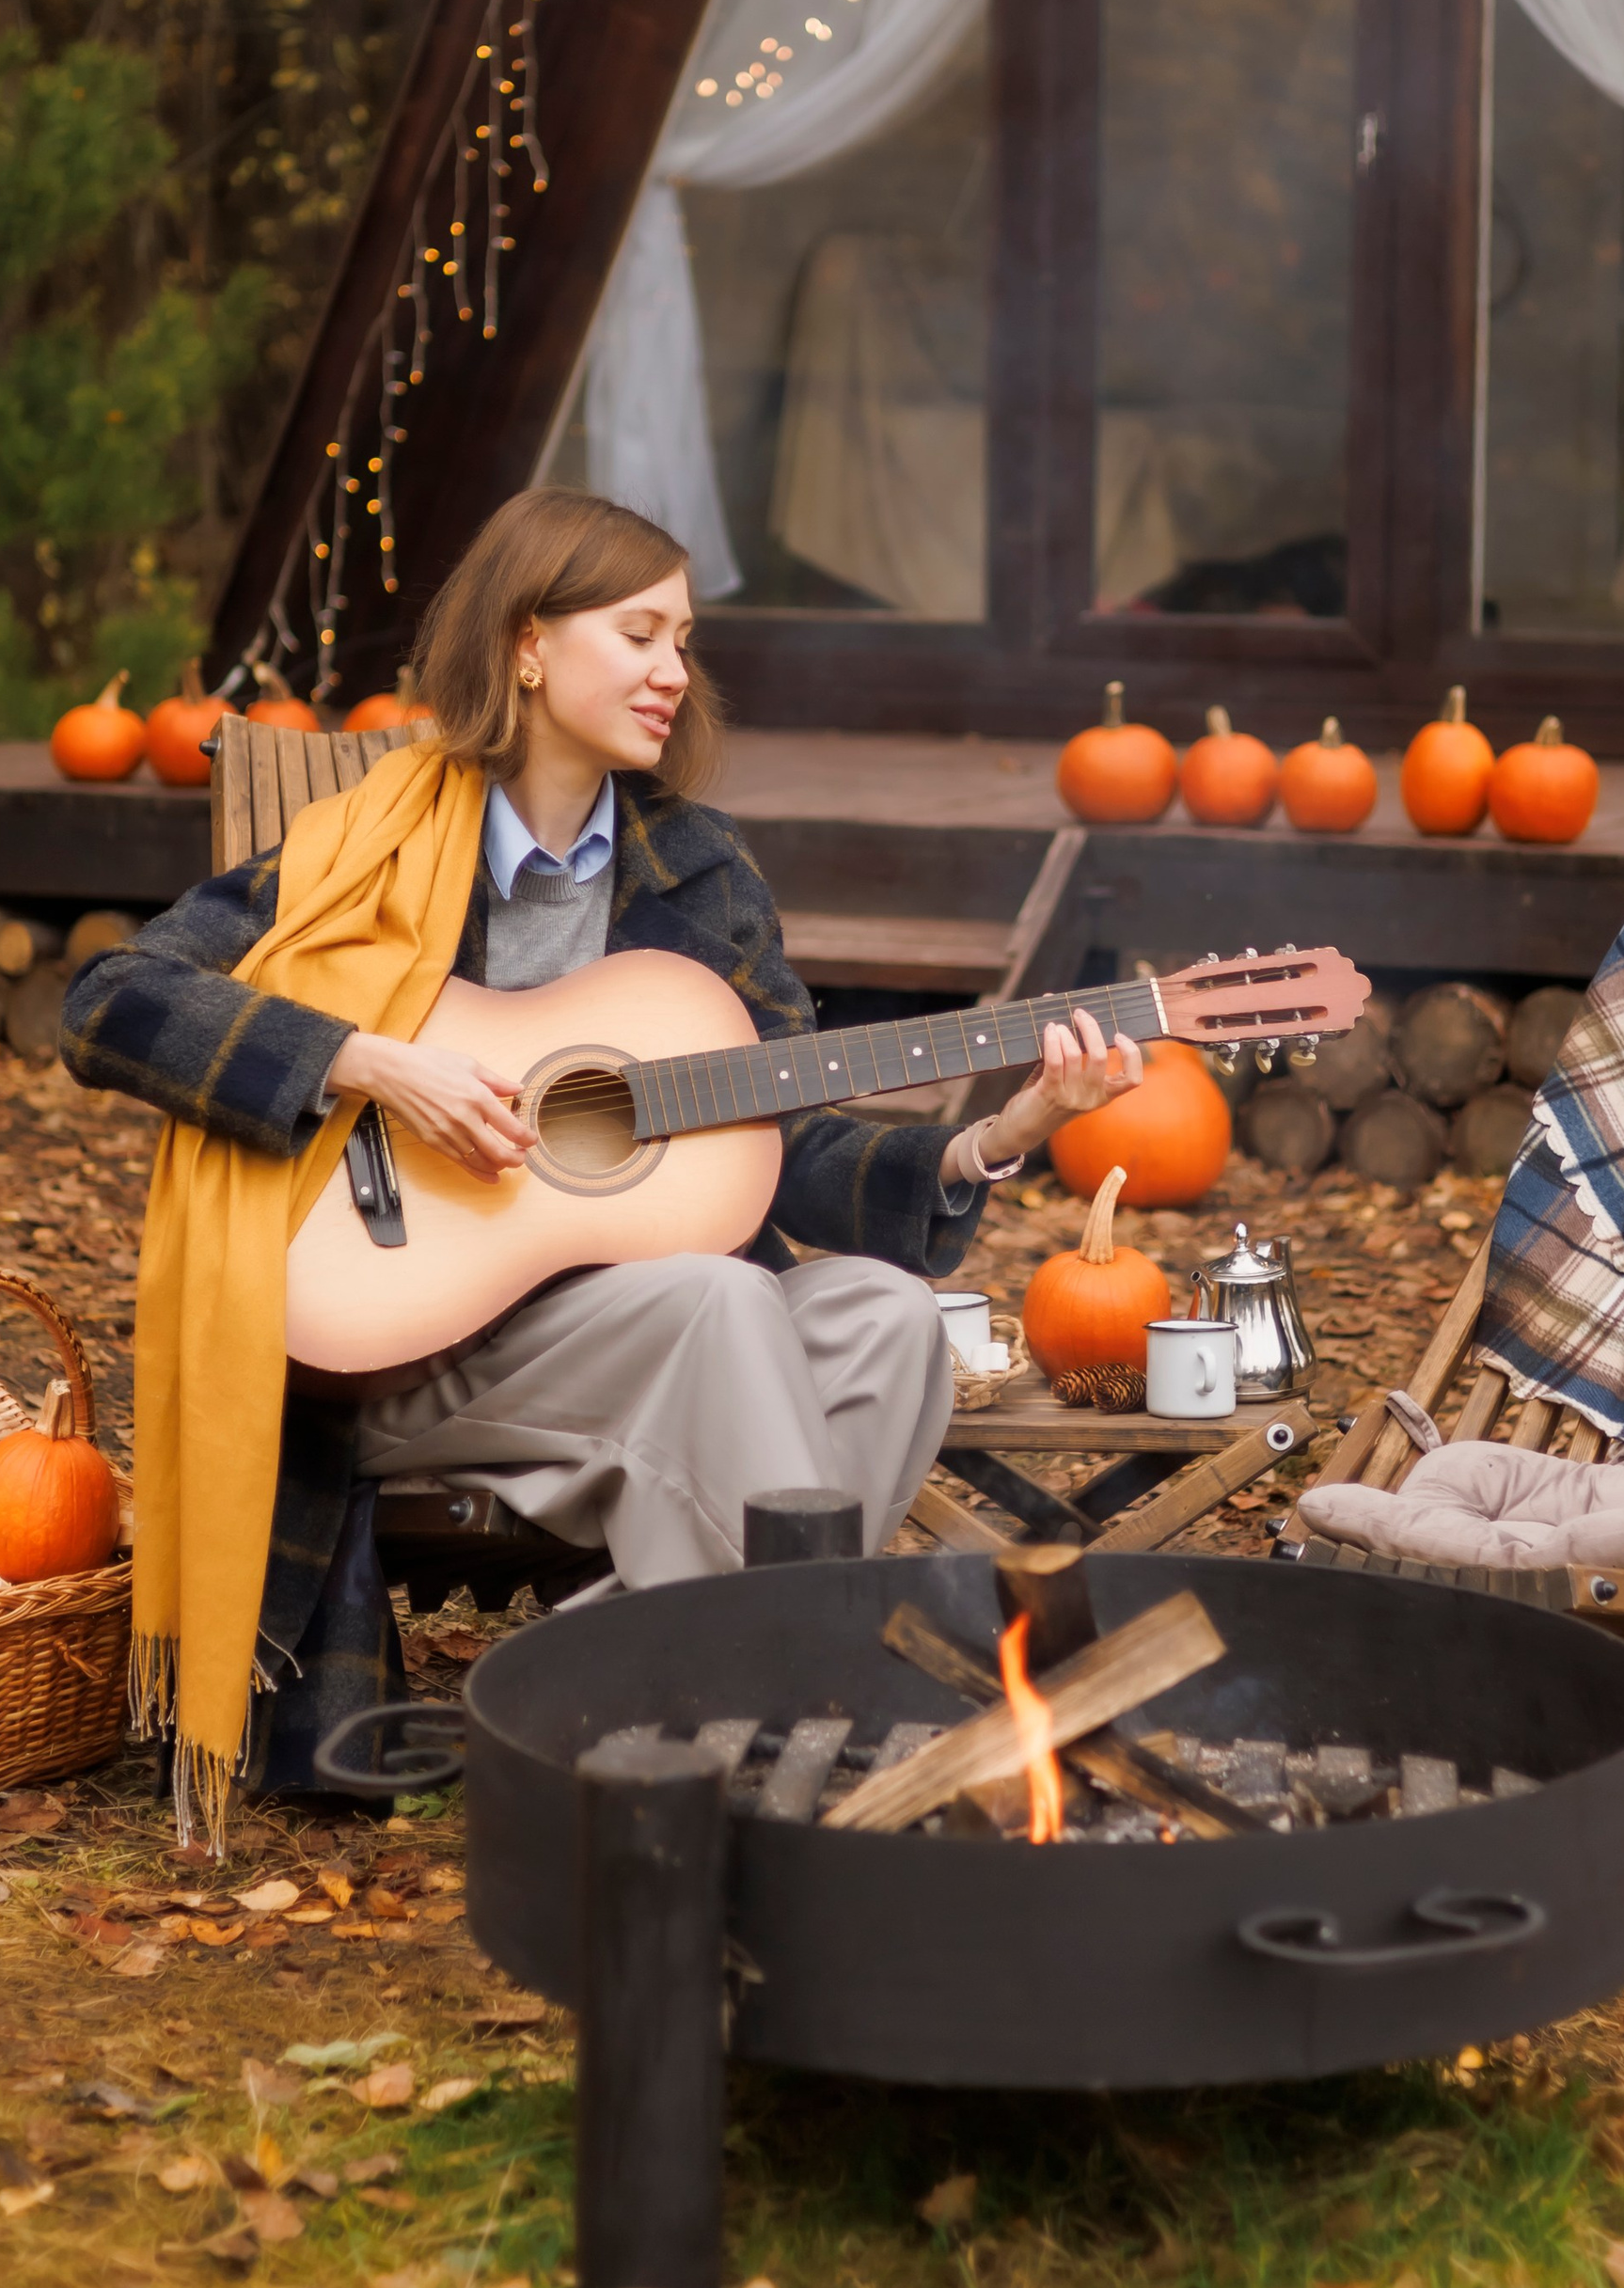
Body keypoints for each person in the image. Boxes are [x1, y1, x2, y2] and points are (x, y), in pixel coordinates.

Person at [62, 489, 1141, 1835]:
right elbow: (109, 998)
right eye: (638, 634)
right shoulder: (372, 839)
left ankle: (665, 1690)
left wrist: (999, 1135)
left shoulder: (695, 871)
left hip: (645, 1340)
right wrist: (366, 1062)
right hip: (409, 1337)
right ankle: (808, 1756)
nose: (673, 673)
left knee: (882, 1317)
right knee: (721, 1298)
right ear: (528, 643)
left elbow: (789, 1146)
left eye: (683, 640)